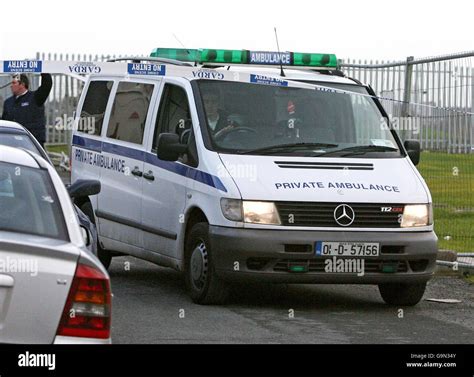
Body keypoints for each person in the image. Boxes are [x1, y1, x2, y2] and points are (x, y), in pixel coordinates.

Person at [2, 73, 52, 147]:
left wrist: (43, 70)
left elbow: (46, 85)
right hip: (12, 143)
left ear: (22, 84)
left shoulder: (35, 97)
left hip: (32, 142)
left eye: (14, 83)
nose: (11, 86)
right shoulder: (8, 102)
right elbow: (4, 122)